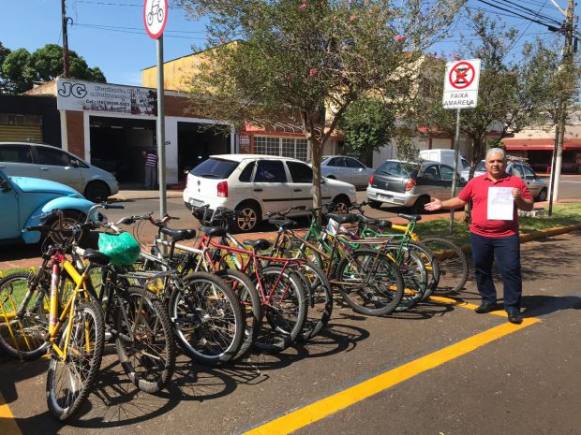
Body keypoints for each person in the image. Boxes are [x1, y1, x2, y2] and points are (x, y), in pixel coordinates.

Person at [424, 148, 534, 324]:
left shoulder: (515, 182)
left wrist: (518, 198)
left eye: (499, 161)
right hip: (479, 235)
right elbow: (461, 200)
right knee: (482, 269)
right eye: (492, 161)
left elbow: (528, 206)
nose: (495, 164)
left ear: (505, 163)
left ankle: (512, 307)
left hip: (507, 236)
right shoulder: (476, 182)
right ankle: (488, 300)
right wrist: (442, 204)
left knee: (511, 270)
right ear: (487, 163)